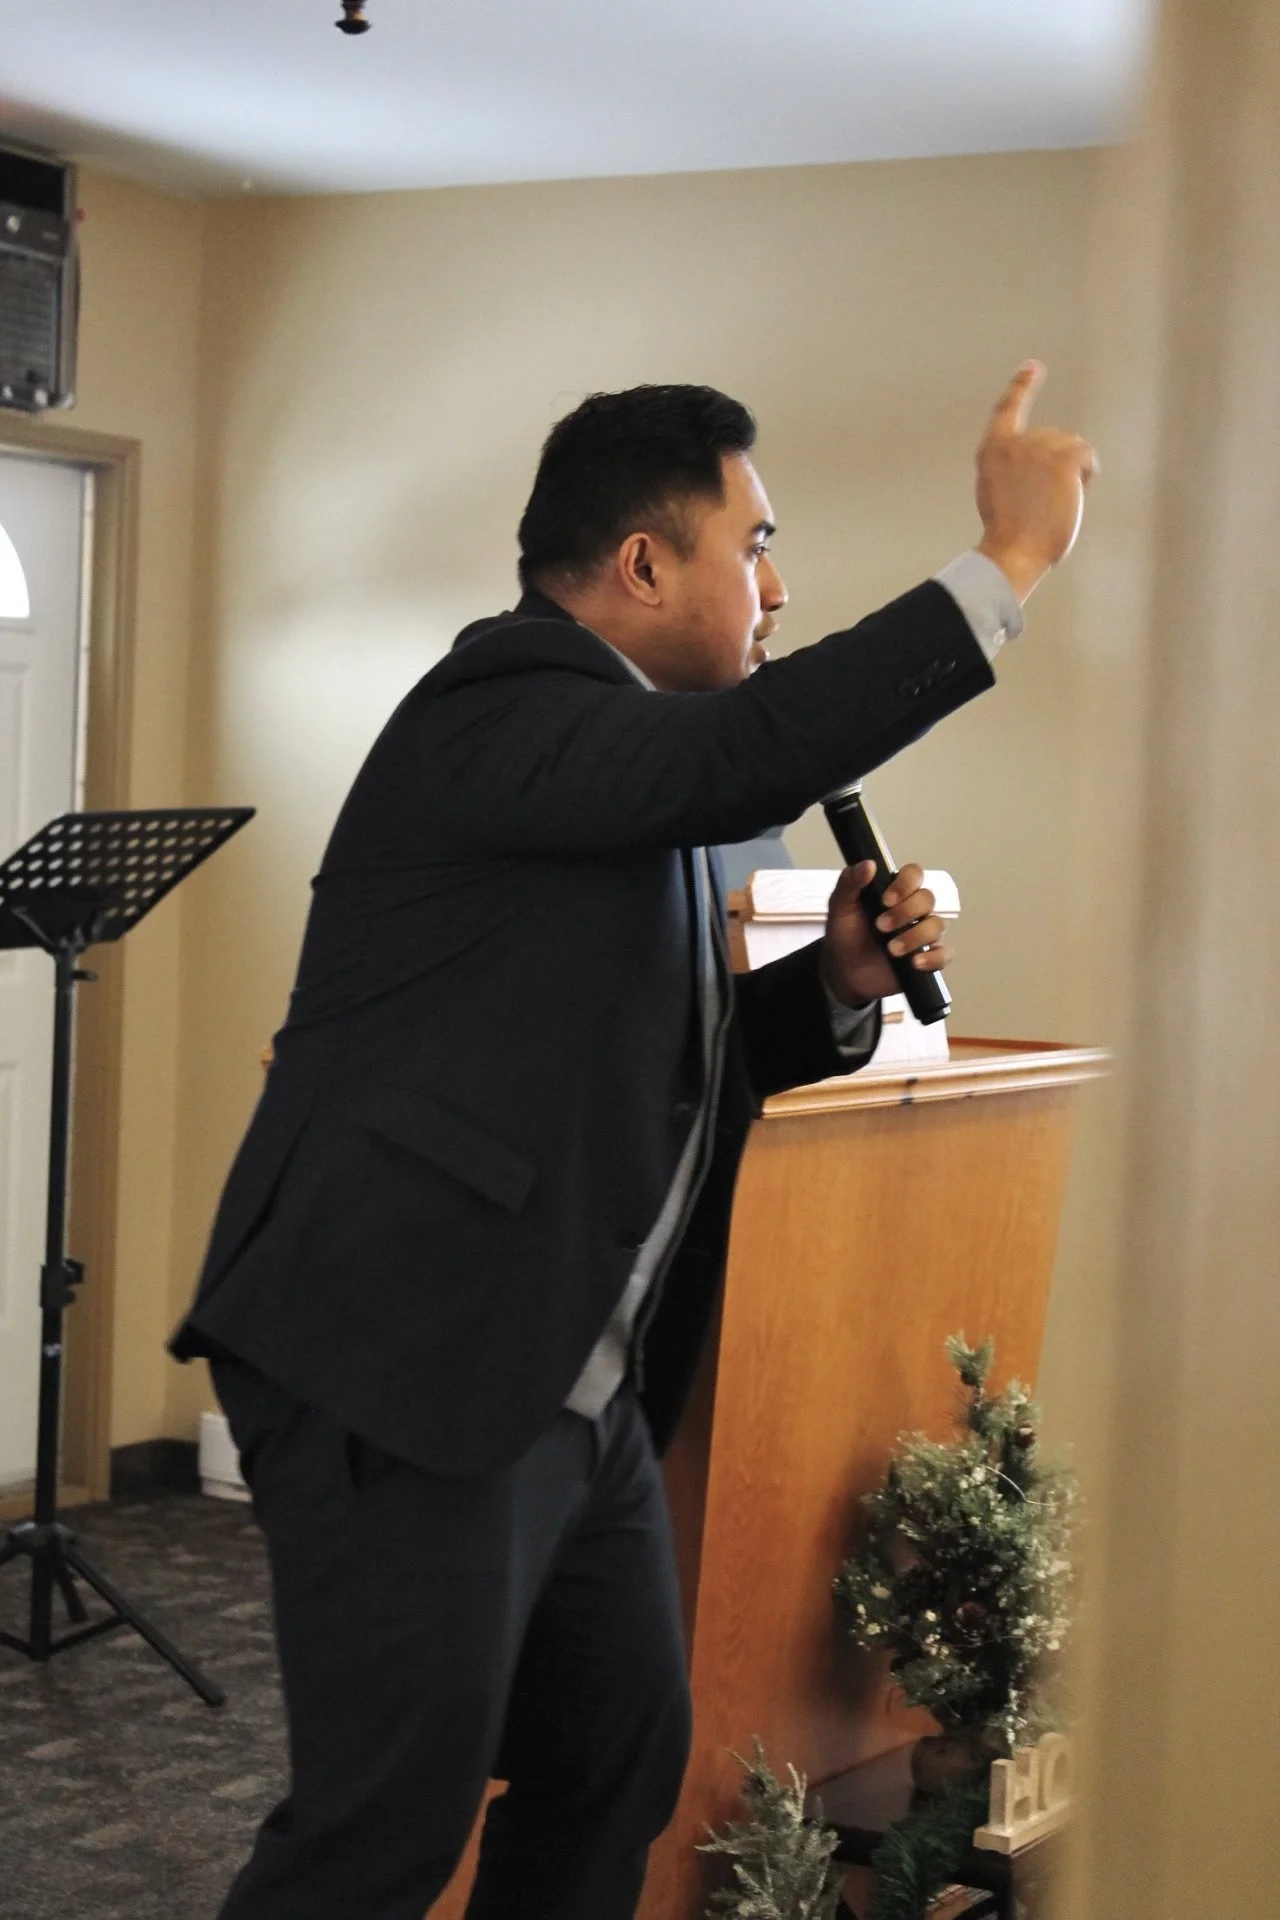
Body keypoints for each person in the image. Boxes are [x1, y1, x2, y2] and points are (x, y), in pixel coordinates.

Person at [171, 362, 1095, 1920]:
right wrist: (1004, 564)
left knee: (611, 1759)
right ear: (646, 563)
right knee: (383, 1828)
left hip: (571, 1376)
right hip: (407, 1347)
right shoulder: (501, 707)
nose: (777, 588)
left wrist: (839, 987)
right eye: (758, 546)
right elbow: (748, 753)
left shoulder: (657, 769)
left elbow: (679, 1062)